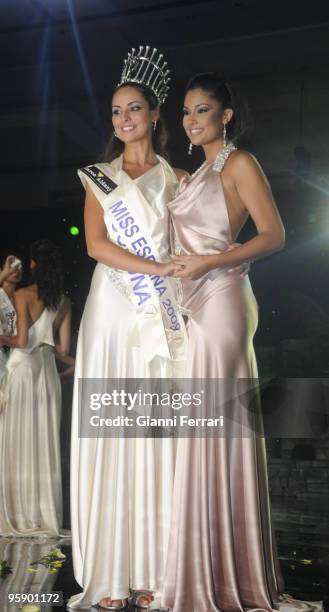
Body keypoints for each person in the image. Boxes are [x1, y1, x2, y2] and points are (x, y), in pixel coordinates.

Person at [162, 73, 323, 612]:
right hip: (190, 302)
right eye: (186, 111)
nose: (191, 119)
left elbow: (273, 234)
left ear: (226, 115)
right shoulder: (192, 174)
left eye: (203, 110)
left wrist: (209, 261)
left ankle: (231, 572)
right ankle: (202, 561)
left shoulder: (238, 164)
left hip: (226, 299)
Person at [68, 46, 189, 611]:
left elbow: (192, 247)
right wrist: (157, 268)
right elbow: (96, 246)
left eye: (134, 108)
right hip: (114, 313)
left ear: (155, 114)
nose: (124, 119)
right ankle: (112, 573)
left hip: (159, 314)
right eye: (116, 111)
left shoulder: (179, 178)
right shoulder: (99, 179)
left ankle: (152, 571)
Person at [0, 239, 71, 537]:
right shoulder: (65, 301)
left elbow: (19, 341)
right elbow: (64, 350)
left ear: (34, 264)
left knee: (18, 440)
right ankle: (43, 513)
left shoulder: (23, 294)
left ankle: (19, 514)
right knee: (44, 441)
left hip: (24, 369)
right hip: (47, 374)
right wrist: (72, 366)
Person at [0, 254, 22, 379]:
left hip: (15, 361)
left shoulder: (23, 299)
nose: (15, 270)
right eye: (11, 267)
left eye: (19, 267)